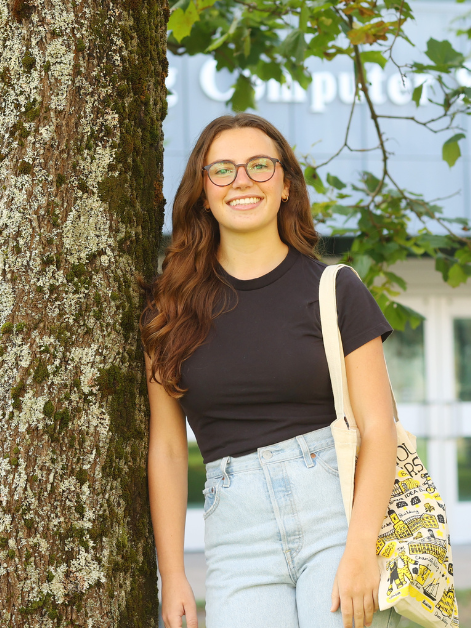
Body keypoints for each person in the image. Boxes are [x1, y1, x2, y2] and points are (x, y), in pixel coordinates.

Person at [142, 113, 399, 628]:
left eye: (260, 166)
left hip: (336, 519)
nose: (243, 181)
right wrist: (173, 575)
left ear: (285, 185)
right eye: (223, 170)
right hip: (237, 537)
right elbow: (168, 450)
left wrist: (362, 547)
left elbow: (379, 428)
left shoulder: (335, 289)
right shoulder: (167, 309)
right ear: (203, 192)